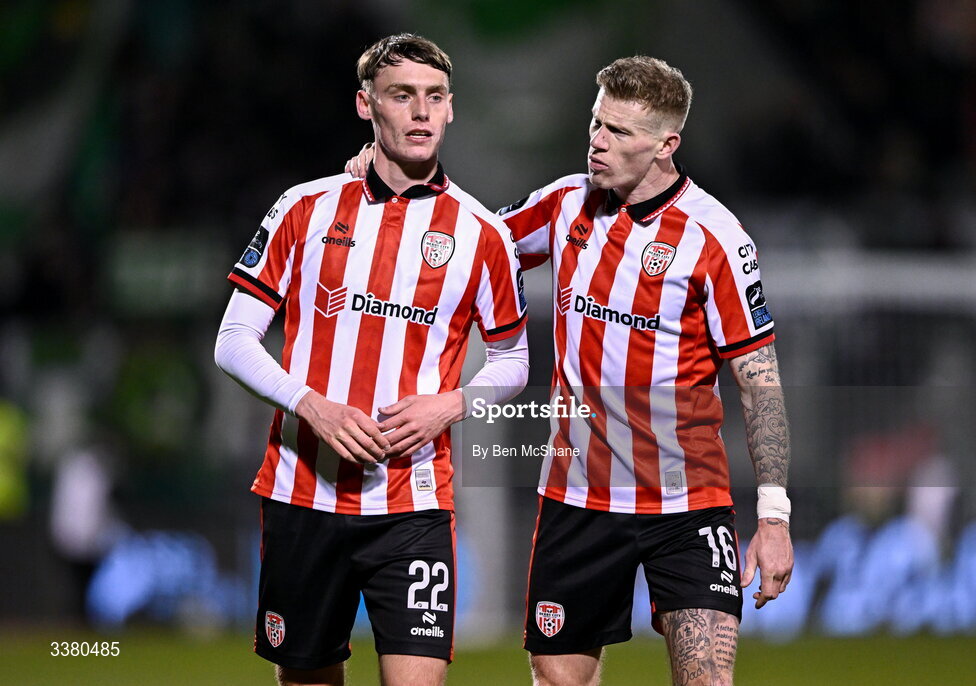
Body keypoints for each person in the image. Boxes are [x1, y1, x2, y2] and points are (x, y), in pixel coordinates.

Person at [347, 55, 793, 686]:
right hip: (577, 499)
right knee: (557, 678)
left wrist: (773, 516)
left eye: (618, 132)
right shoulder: (564, 204)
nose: (597, 142)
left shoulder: (716, 238)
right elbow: (469, 245)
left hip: (685, 503)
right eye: (595, 123)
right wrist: (392, 175)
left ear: (667, 145)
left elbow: (760, 383)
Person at [215, 34, 529, 686]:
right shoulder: (303, 209)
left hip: (412, 505)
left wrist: (453, 403)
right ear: (366, 106)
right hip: (303, 493)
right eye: (401, 95)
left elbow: (513, 358)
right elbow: (234, 339)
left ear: (450, 111)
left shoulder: (482, 234)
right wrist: (311, 405)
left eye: (434, 97)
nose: (419, 112)